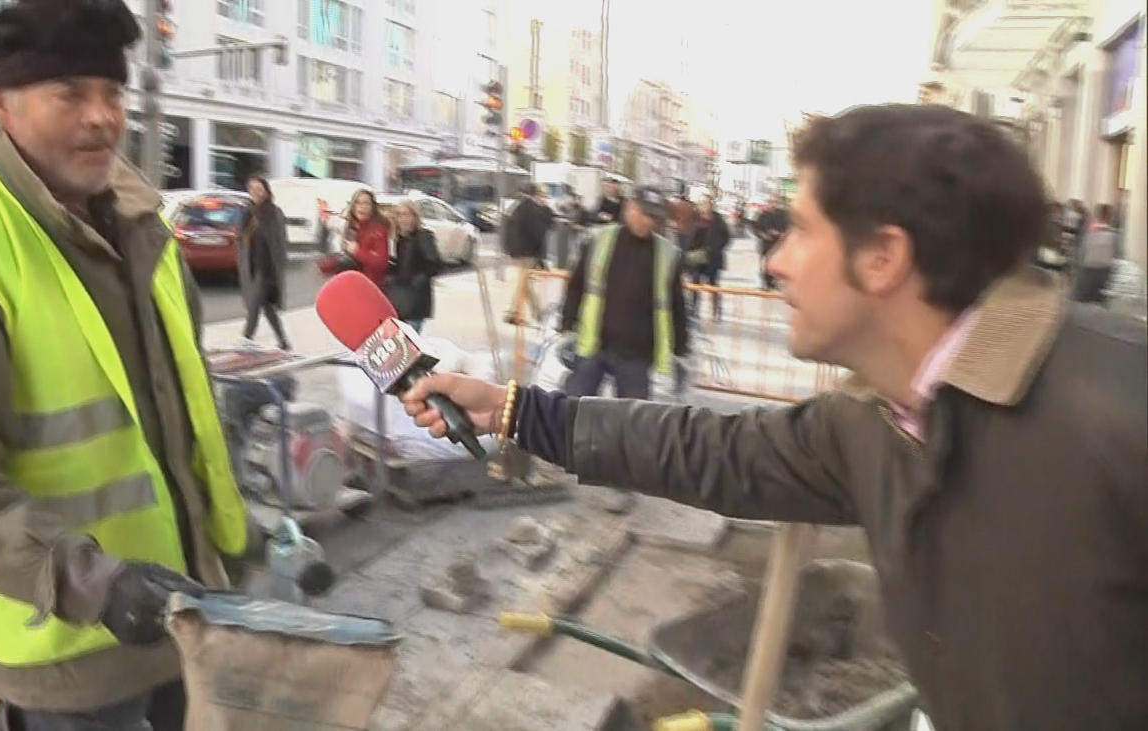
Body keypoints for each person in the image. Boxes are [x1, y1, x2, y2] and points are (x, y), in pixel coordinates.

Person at [399, 104, 1147, 731]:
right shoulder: (870, 417)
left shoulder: (1119, 410)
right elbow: (715, 450)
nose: (776, 261)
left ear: (882, 257)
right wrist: (510, 408)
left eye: (799, 229)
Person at [0, 1, 254, 729]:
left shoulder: (147, 229)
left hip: (186, 617)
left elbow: (182, 418)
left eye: (112, 92)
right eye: (69, 92)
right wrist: (89, 583)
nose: (102, 116)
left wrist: (231, 540)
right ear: (0, 107)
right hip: (67, 653)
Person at [559, 186, 690, 400]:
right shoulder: (599, 240)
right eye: (645, 214)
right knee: (574, 410)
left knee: (634, 421)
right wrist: (566, 325)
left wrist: (680, 348)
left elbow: (676, 304)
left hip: (638, 353)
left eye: (655, 218)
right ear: (630, 209)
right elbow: (577, 286)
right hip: (594, 345)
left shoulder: (667, 254)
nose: (649, 222)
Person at [237, 175, 291, 349]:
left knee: (253, 304)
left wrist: (279, 266)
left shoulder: (274, 213)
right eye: (252, 190)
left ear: (267, 191)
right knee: (266, 306)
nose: (256, 193)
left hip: (268, 268)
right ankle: (283, 341)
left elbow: (280, 241)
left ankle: (247, 338)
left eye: (259, 189)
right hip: (253, 266)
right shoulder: (248, 212)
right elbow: (242, 238)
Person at [386, 199, 442, 333]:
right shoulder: (396, 239)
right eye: (399, 215)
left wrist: (418, 280)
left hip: (416, 299)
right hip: (398, 298)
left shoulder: (423, 236)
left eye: (406, 214)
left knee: (410, 341)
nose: (403, 219)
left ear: (414, 217)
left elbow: (435, 264)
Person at [502, 184, 554, 325]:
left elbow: (509, 228)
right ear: (535, 196)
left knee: (524, 282)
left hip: (520, 251)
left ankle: (515, 312)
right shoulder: (534, 211)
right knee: (525, 282)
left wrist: (508, 249)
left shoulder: (522, 208)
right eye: (543, 196)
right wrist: (541, 259)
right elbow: (537, 236)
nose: (544, 199)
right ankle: (532, 314)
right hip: (527, 252)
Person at [685, 195, 731, 319]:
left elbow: (727, 236)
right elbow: (688, 235)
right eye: (703, 203)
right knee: (695, 283)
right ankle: (693, 309)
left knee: (713, 284)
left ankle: (716, 310)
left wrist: (717, 247)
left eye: (708, 203)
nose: (705, 206)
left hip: (713, 257)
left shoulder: (718, 219)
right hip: (697, 257)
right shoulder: (695, 218)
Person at [343, 188, 392, 287]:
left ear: (372, 207)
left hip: (371, 286)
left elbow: (381, 263)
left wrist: (357, 251)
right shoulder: (352, 227)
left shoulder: (378, 230)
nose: (362, 207)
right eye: (358, 203)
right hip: (351, 284)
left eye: (366, 203)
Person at [1072, 203, 1118, 305]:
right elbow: (1115, 254)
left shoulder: (1089, 231)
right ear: (1110, 216)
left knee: (1083, 300)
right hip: (1104, 271)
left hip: (1087, 269)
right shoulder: (1113, 234)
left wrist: (1076, 268)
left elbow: (1081, 250)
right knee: (1099, 300)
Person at [754, 194, 789, 289]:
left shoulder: (782, 215)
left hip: (778, 244)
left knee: (777, 264)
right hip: (766, 244)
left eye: (773, 202)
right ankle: (766, 282)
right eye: (769, 202)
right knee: (766, 264)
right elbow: (756, 228)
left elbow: (787, 228)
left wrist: (780, 234)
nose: (771, 204)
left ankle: (775, 281)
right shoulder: (762, 215)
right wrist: (763, 234)